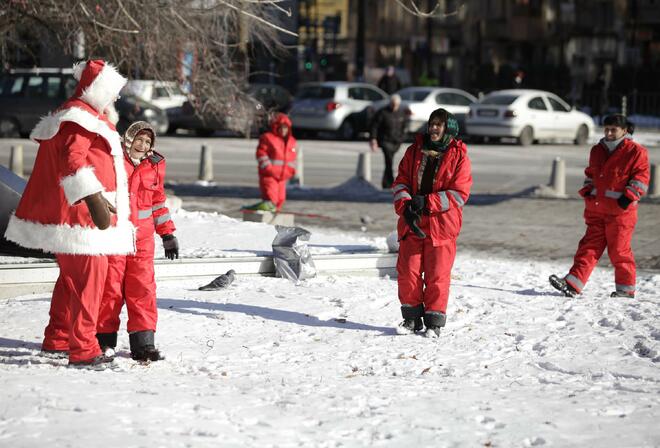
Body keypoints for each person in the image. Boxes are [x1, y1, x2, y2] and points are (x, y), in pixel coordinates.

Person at [4, 59, 135, 367]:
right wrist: (93, 199)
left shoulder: (83, 115)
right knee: (90, 281)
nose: (116, 98)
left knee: (70, 281)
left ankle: (57, 339)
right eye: (112, 91)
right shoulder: (80, 118)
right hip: (81, 219)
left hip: (79, 215)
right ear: (99, 90)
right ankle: (84, 348)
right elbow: (72, 161)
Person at [96, 121, 178, 362]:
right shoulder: (112, 161)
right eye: (139, 140)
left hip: (142, 241)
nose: (142, 145)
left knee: (143, 290)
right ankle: (103, 341)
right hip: (114, 236)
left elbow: (158, 203)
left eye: (147, 142)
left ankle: (143, 344)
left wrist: (168, 234)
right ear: (128, 139)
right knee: (109, 290)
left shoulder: (154, 167)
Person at [549, 114, 650, 298]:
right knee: (588, 248)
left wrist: (627, 198)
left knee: (619, 251)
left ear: (624, 130)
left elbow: (641, 179)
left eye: (613, 129)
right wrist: (587, 190)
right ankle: (572, 284)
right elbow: (591, 174)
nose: (609, 133)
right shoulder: (597, 150)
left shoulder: (636, 151)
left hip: (620, 213)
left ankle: (626, 291)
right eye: (606, 129)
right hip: (596, 209)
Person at [391, 108, 472, 337]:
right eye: (432, 123)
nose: (434, 128)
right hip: (413, 222)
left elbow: (459, 194)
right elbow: (401, 182)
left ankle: (434, 323)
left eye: (439, 124)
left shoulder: (459, 156)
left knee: (438, 275)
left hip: (442, 225)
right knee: (408, 272)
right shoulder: (414, 150)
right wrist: (406, 205)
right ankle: (412, 319)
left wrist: (427, 202)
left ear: (448, 128)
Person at [245, 113, 297, 212]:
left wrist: (291, 171)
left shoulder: (291, 141)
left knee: (280, 200)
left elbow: (292, 158)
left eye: (286, 128)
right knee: (271, 199)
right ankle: (266, 220)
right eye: (281, 127)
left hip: (283, 177)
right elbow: (261, 154)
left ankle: (273, 221)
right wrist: (269, 169)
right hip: (269, 175)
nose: (283, 130)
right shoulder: (268, 138)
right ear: (276, 127)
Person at [369, 94, 408, 189]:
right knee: (389, 161)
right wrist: (373, 139)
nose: (394, 106)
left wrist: (402, 138)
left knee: (389, 162)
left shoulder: (401, 113)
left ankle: (386, 183)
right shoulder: (382, 112)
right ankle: (390, 183)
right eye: (393, 104)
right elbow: (374, 127)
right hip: (385, 141)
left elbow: (404, 127)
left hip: (396, 142)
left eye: (396, 105)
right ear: (390, 103)